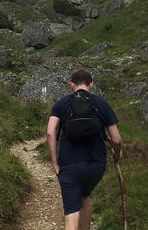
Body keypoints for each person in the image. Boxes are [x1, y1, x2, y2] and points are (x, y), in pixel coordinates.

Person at [46, 69, 122, 230]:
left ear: (71, 84)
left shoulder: (61, 104)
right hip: (96, 165)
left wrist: (54, 162)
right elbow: (116, 139)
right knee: (85, 196)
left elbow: (50, 132)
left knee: (71, 212)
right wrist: (116, 155)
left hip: (69, 165)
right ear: (91, 84)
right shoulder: (101, 104)